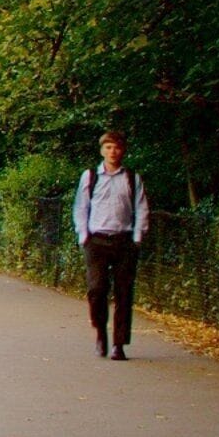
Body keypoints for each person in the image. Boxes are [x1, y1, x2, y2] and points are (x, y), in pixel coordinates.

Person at [74, 132, 152, 360]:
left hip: (124, 240)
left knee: (124, 293)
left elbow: (142, 207)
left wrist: (137, 238)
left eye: (116, 147)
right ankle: (100, 332)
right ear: (102, 151)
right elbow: (81, 206)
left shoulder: (131, 178)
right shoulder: (90, 177)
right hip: (96, 240)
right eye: (108, 147)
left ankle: (119, 344)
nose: (112, 152)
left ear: (122, 150)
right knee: (96, 289)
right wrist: (83, 236)